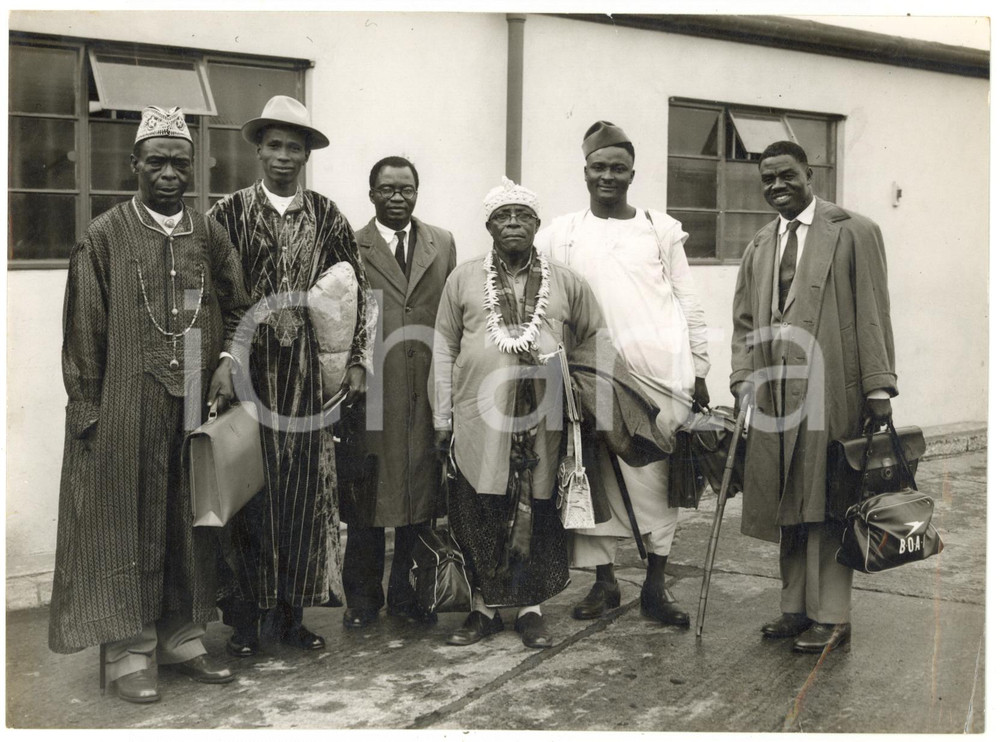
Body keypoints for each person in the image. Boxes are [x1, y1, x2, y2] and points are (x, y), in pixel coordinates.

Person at [49, 106, 249, 703]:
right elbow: (83, 329)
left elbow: (240, 307)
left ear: (194, 169)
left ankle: (183, 637)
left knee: (191, 522)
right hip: (125, 404)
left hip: (194, 405)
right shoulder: (104, 235)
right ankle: (129, 651)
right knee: (123, 524)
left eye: (179, 163)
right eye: (156, 161)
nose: (168, 172)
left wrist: (227, 364)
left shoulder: (209, 233)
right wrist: (87, 410)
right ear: (134, 165)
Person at [208, 96, 375, 657]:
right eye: (274, 145)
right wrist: (223, 364)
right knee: (249, 491)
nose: (283, 156)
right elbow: (208, 297)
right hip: (248, 367)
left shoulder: (327, 215)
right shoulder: (226, 215)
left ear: (307, 154)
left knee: (304, 494)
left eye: (294, 147)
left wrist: (355, 359)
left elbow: (358, 291)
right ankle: (245, 622)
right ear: (258, 148)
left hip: (304, 372)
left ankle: (292, 615)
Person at [535, 121, 710, 627]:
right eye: (598, 167)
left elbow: (689, 302)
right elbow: (546, 302)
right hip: (592, 376)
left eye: (617, 168)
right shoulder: (561, 233)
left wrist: (699, 368)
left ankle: (656, 584)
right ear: (584, 171)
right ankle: (605, 582)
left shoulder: (660, 229)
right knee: (596, 476)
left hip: (660, 374)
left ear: (633, 173)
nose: (607, 176)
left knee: (655, 480)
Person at [731, 140, 896, 653]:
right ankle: (794, 609)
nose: (777, 186)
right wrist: (742, 379)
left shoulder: (854, 231)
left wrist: (877, 388)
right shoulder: (760, 243)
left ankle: (834, 616)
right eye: (768, 179)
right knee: (787, 501)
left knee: (829, 500)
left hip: (832, 389)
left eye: (787, 176)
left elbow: (872, 311)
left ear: (810, 174)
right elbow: (742, 322)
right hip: (776, 396)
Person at [431, 178, 607, 649]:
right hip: (477, 416)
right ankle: (481, 611)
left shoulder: (565, 280)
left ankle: (530, 610)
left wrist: (588, 397)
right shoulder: (463, 278)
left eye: (522, 216)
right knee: (479, 506)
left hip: (544, 419)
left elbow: (594, 337)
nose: (513, 223)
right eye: (503, 217)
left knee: (538, 506)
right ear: (488, 225)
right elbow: (444, 346)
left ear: (536, 224)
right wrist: (442, 416)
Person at [340, 156, 457, 629]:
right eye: (386, 189)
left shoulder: (442, 243)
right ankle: (362, 600)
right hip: (373, 387)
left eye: (406, 189)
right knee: (368, 498)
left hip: (426, 384)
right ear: (371, 194)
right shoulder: (351, 243)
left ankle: (409, 595)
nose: (397, 197)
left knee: (420, 496)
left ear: (417, 192)